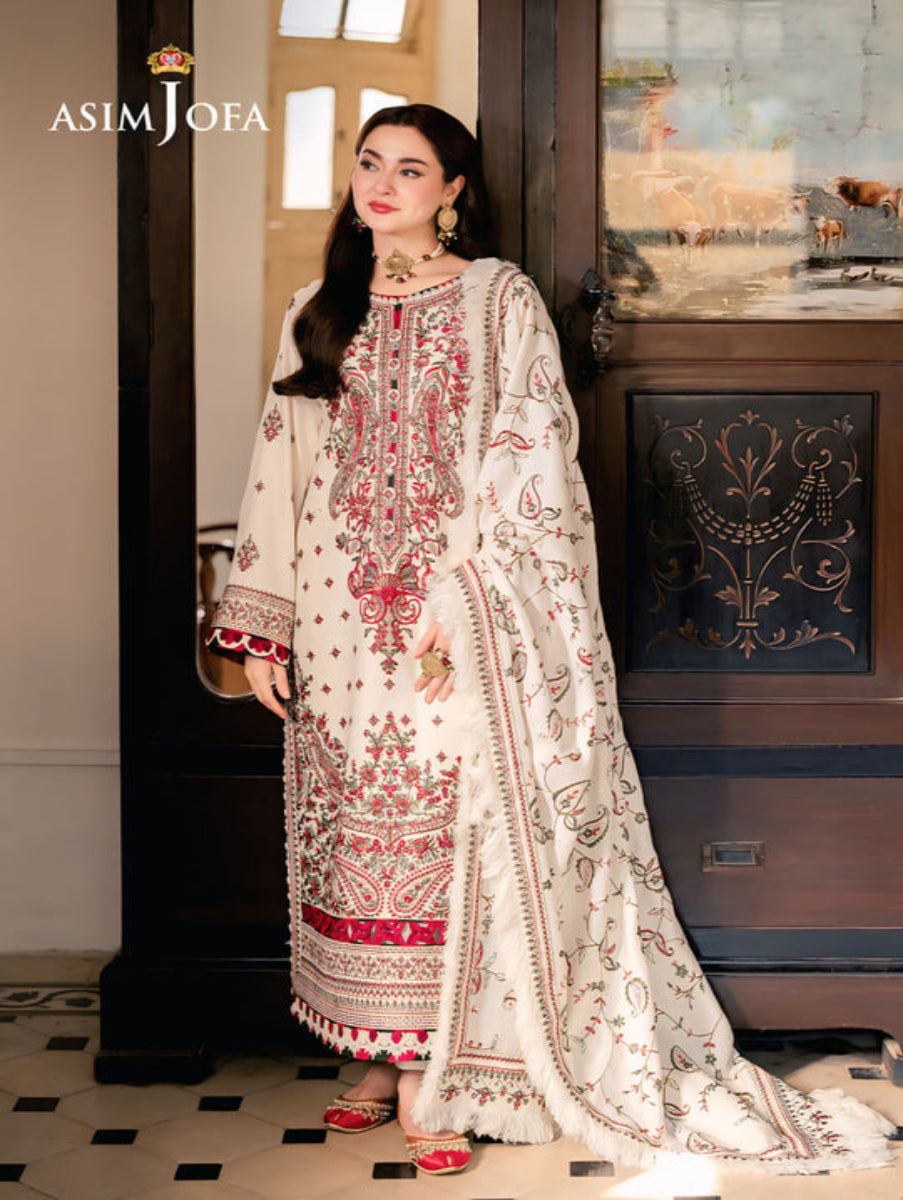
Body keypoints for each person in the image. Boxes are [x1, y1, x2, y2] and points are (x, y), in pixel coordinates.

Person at [209, 104, 893, 1177]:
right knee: (356, 837)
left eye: (411, 169)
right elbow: (278, 469)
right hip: (343, 624)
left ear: (453, 191)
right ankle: (381, 1059)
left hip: (457, 621)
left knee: (450, 836)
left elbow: (528, 455)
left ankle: (438, 1074)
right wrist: (264, 627)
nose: (382, 184)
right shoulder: (316, 309)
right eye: (370, 164)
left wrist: (463, 597)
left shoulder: (497, 299)